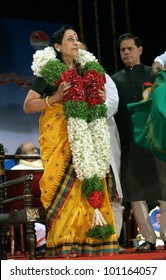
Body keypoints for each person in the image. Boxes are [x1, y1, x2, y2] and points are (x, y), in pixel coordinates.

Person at [23, 25, 119, 257]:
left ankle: (93, 242)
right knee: (65, 192)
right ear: (57, 46)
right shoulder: (49, 73)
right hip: (61, 144)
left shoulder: (89, 74)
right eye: (70, 39)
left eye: (77, 39)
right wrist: (54, 98)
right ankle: (66, 244)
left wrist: (98, 98)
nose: (76, 43)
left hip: (88, 142)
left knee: (90, 186)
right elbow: (27, 106)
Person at [111, 33, 166, 252]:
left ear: (140, 50)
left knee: (164, 189)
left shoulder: (154, 74)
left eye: (130, 49)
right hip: (130, 142)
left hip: (156, 141)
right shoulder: (114, 80)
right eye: (122, 50)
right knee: (134, 192)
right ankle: (148, 238)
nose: (126, 53)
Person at [78, 41, 124, 252]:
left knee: (111, 189)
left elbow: (112, 104)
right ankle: (88, 242)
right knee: (85, 190)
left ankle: (113, 240)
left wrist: (91, 112)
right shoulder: (68, 79)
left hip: (103, 135)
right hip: (79, 141)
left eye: (80, 49)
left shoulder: (102, 77)